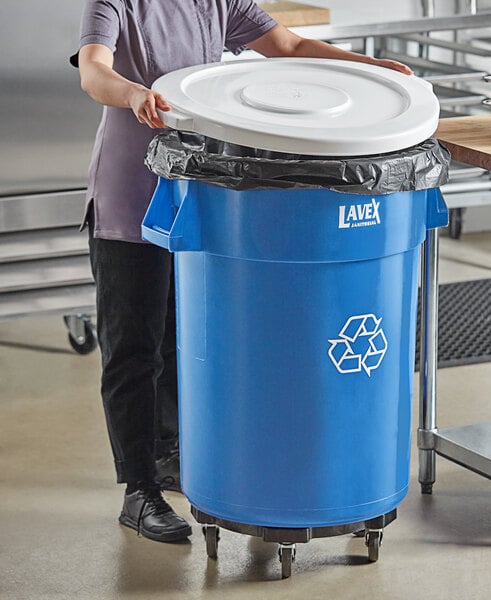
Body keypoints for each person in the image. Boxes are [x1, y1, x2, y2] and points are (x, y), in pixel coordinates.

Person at [73, 0, 413, 544]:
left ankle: (171, 457)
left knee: (183, 341)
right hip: (129, 201)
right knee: (133, 350)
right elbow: (93, 69)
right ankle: (139, 492)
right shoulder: (116, 3)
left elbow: (291, 46)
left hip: (197, 200)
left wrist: (365, 70)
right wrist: (134, 93)